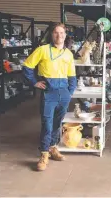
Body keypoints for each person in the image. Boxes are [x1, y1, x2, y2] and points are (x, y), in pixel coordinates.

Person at [23, 23, 77, 171]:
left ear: (65, 35)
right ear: (51, 34)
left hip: (64, 92)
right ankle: (44, 154)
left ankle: (53, 148)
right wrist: (34, 82)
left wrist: (69, 92)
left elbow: (72, 76)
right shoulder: (42, 50)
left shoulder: (68, 54)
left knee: (57, 123)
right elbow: (27, 66)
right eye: (56, 33)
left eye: (62, 33)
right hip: (49, 93)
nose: (59, 35)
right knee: (47, 123)